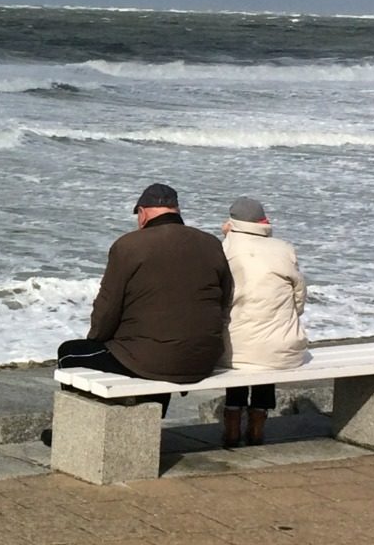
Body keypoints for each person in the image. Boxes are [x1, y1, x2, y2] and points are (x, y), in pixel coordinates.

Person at [55, 183, 234, 418]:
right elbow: (225, 297)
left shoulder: (129, 245)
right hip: (203, 358)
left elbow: (107, 309)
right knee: (155, 347)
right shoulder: (211, 243)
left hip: (157, 360)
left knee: (69, 352)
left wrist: (98, 339)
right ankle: (150, 423)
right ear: (176, 211)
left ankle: (77, 432)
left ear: (142, 213)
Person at [219, 197, 308, 447]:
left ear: (232, 222)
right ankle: (257, 425)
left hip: (237, 349)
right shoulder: (284, 249)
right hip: (283, 348)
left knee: (240, 347)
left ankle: (233, 424)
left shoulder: (225, 249)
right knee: (269, 344)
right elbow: (298, 300)